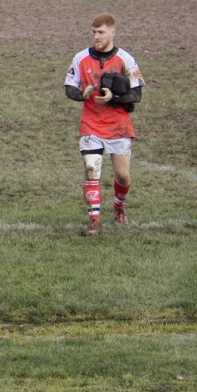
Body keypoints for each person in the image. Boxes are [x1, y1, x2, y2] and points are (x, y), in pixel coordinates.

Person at [64, 13, 144, 235]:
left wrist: (114, 98)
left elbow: (137, 94)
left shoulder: (125, 60)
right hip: (91, 124)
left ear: (112, 32)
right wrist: (83, 93)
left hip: (119, 126)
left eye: (101, 32)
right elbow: (69, 88)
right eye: (93, 32)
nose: (96, 36)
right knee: (91, 170)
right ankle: (95, 221)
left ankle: (119, 207)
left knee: (123, 176)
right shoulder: (81, 58)